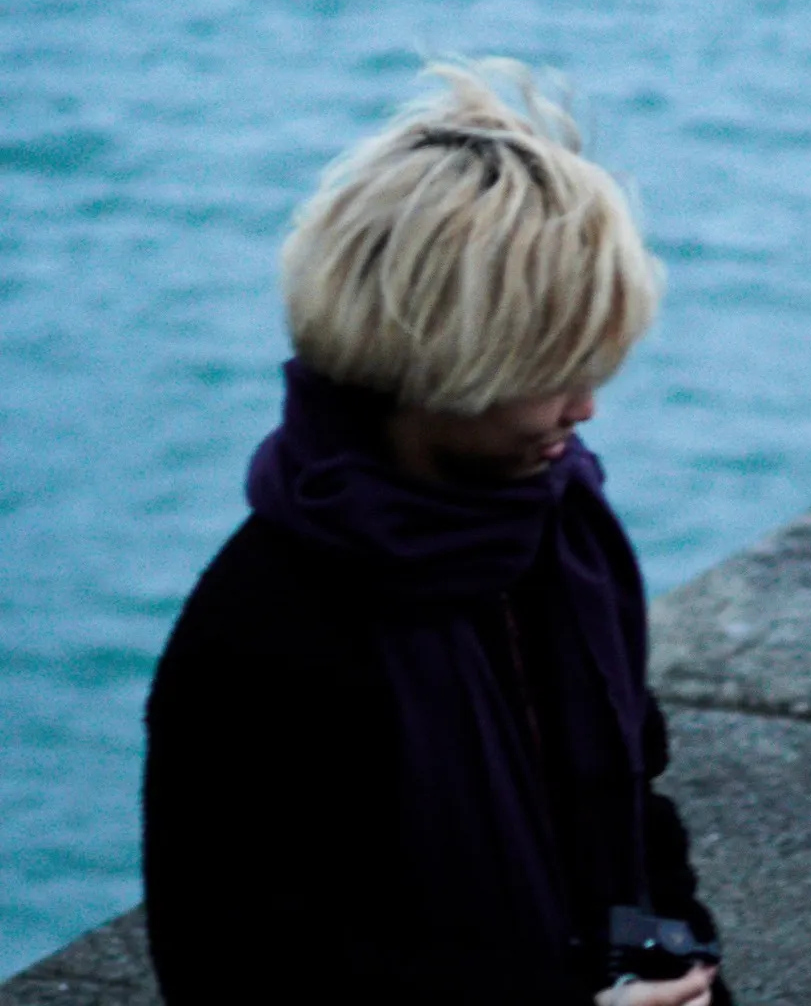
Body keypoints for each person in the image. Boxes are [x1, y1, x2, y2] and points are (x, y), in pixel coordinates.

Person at [142, 61, 730, 1006]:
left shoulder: (560, 533)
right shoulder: (265, 634)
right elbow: (244, 969)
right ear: (447, 361)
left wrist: (689, 973)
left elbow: (632, 802)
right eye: (555, 372)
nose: (586, 408)